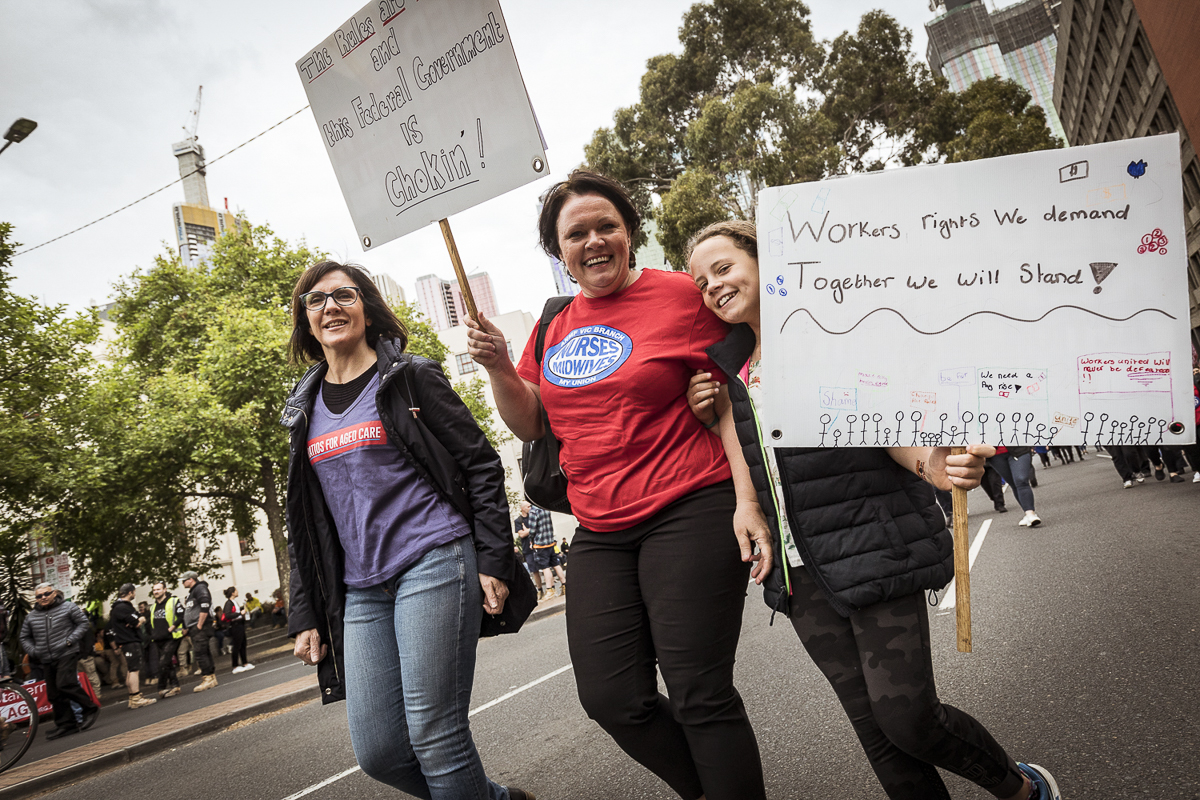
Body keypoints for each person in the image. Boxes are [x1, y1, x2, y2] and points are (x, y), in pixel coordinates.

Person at [684, 219, 1061, 800]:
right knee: (880, 740)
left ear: (768, 263)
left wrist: (935, 467)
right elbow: (742, 443)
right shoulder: (731, 367)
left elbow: (888, 427)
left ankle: (1020, 789)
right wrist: (745, 504)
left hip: (872, 547)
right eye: (702, 281)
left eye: (724, 267)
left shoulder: (837, 335)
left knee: (908, 719)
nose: (713, 286)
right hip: (798, 574)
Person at [467, 171, 772, 800]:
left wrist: (713, 396)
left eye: (607, 226)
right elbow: (530, 420)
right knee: (610, 697)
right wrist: (500, 366)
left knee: (698, 692)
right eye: (576, 233)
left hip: (689, 504)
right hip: (600, 528)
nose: (594, 240)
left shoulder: (683, 295)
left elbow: (752, 358)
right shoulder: (553, 325)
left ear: (629, 233)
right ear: (560, 252)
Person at [282, 260, 533, 800]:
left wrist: (493, 556)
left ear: (366, 309)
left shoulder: (409, 376)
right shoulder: (302, 408)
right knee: (379, 753)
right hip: (361, 588)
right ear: (305, 322)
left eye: (343, 295)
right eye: (316, 300)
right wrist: (305, 613)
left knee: (435, 735)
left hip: (434, 558)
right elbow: (304, 522)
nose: (330, 307)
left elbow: (481, 464)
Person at [19, 583, 100, 739]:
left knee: (65, 683)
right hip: (46, 657)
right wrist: (34, 651)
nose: (43, 597)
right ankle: (66, 724)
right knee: (53, 693)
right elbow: (24, 637)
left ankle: (90, 708)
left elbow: (83, 623)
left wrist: (70, 640)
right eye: (39, 596)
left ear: (54, 593)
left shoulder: (68, 607)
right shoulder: (31, 616)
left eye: (46, 594)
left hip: (66, 652)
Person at [109, 584, 157, 709]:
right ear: (130, 592)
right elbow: (136, 622)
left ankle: (132, 697)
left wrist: (137, 620)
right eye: (134, 592)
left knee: (131, 670)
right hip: (130, 641)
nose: (135, 594)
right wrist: (140, 620)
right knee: (134, 670)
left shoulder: (117, 607)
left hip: (125, 642)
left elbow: (134, 620)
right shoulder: (123, 608)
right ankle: (136, 697)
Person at [180, 571, 218, 692]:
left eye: (184, 580)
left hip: (200, 627)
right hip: (195, 626)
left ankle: (207, 678)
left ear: (191, 579)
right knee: (204, 651)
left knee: (200, 652)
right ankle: (211, 677)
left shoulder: (200, 588)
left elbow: (205, 605)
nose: (182, 583)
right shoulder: (193, 591)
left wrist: (199, 625)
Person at [988, 446, 1042, 526]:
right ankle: (1027, 513)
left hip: (1019, 449)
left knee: (1021, 480)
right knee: (1013, 483)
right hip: (995, 454)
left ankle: (1030, 514)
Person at [149, 581, 185, 698]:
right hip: (159, 639)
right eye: (154, 590)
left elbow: (181, 615)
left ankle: (161, 688)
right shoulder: (153, 606)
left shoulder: (173, 601)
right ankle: (175, 686)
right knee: (168, 663)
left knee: (163, 662)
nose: (156, 592)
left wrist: (173, 627)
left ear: (164, 590)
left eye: (158, 589)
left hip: (172, 637)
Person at [528, 504, 566, 597]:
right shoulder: (545, 508)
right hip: (550, 542)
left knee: (545, 567)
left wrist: (531, 541)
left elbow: (532, 530)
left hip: (540, 544)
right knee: (556, 564)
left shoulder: (533, 511)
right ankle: (565, 585)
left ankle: (550, 590)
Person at [514, 501, 546, 599]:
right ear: (522, 508)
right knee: (534, 570)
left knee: (545, 567)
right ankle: (540, 590)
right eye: (528, 506)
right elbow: (521, 534)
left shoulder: (535, 516)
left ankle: (550, 588)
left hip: (539, 546)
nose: (530, 508)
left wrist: (527, 530)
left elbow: (540, 528)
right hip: (527, 549)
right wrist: (532, 529)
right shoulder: (518, 520)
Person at [223, 587, 253, 673]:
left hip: (240, 624)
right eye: (236, 591)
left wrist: (242, 609)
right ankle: (235, 665)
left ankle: (245, 663)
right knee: (237, 645)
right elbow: (228, 615)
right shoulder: (228, 603)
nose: (237, 592)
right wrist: (240, 613)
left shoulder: (234, 602)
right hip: (235, 626)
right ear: (232, 593)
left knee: (243, 643)